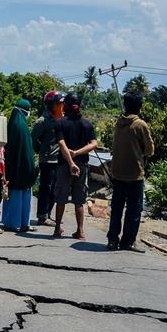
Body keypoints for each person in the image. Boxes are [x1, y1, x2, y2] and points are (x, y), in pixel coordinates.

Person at [107, 92, 155, 253]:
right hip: (134, 174)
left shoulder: (119, 122)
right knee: (134, 210)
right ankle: (128, 242)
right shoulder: (140, 124)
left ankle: (112, 240)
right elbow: (149, 150)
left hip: (117, 172)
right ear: (139, 107)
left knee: (117, 208)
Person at [52, 93, 96, 239]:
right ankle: (80, 231)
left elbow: (61, 144)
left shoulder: (60, 123)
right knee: (79, 200)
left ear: (66, 106)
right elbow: (94, 144)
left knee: (61, 199)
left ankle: (57, 229)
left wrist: (71, 162)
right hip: (82, 166)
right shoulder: (87, 124)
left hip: (64, 165)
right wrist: (77, 154)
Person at [1, 99, 38, 233]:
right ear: (25, 111)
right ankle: (23, 223)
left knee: (14, 194)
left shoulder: (13, 124)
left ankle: (12, 222)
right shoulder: (23, 127)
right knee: (25, 196)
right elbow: (27, 150)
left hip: (13, 167)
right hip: (25, 167)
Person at [31, 91, 64, 227]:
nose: (61, 106)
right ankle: (42, 216)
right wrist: (41, 151)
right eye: (58, 104)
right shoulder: (42, 121)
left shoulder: (60, 119)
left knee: (55, 190)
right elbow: (32, 139)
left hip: (59, 160)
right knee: (46, 188)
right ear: (51, 105)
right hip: (47, 160)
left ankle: (48, 214)